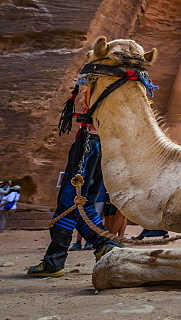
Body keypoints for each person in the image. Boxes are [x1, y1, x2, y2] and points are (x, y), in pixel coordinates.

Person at [27, 97, 121, 277]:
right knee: (83, 205)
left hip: (88, 143)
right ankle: (105, 245)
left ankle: (54, 261)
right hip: (104, 145)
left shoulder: (101, 80)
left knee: (69, 204)